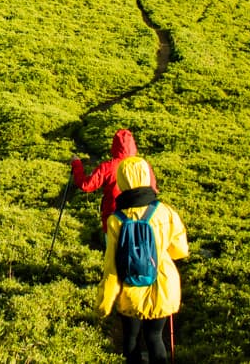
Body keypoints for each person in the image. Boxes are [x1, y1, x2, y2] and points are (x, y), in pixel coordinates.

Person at [97, 156, 189, 364]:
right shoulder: (165, 212)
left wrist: (104, 303)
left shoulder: (116, 220)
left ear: (121, 181)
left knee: (130, 339)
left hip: (130, 291)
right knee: (155, 337)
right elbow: (180, 250)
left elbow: (111, 267)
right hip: (162, 286)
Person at [71, 129, 155, 233]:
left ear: (114, 145)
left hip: (113, 218)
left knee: (113, 247)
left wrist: (76, 164)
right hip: (141, 219)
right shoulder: (144, 165)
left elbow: (86, 185)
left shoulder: (108, 167)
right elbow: (153, 190)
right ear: (133, 144)